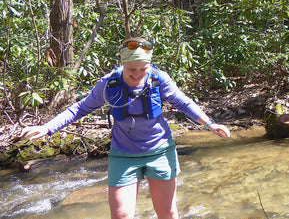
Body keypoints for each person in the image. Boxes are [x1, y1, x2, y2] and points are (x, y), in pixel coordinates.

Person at [20, 37, 230, 219]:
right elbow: (80, 108)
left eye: (143, 69)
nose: (137, 74)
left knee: (167, 214)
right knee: (121, 215)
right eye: (131, 69)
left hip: (160, 151)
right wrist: (48, 128)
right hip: (123, 154)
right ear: (122, 64)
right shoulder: (108, 83)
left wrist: (210, 124)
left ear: (150, 65)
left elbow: (184, 103)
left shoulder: (159, 79)